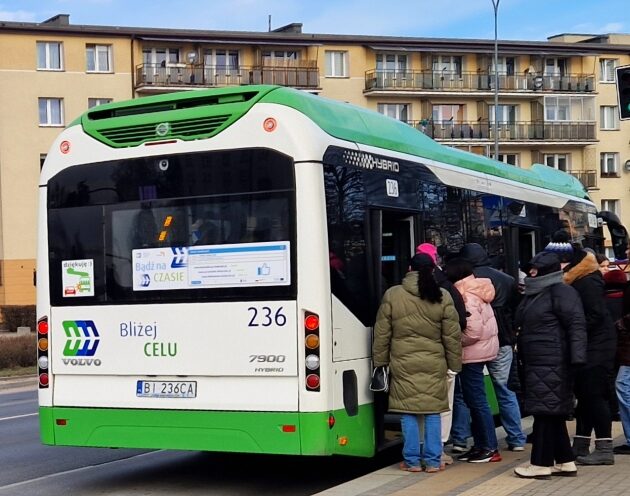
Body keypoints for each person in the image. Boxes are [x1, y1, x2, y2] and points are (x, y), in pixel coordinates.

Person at [372, 253, 462, 473]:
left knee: (408, 411)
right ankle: (432, 461)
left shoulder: (393, 295)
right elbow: (452, 336)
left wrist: (380, 362)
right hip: (434, 362)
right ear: (433, 270)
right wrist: (454, 364)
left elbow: (382, 334)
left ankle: (411, 461)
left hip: (403, 363)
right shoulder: (442, 295)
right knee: (433, 412)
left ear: (409, 269)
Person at [513, 252, 587, 479]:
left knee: (544, 413)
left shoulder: (561, 291)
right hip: (539, 360)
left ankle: (540, 464)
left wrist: (577, 360)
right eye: (530, 268)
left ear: (548, 270)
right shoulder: (537, 292)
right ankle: (565, 461)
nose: (530, 273)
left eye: (535, 269)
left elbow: (576, 325)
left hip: (552, 360)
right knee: (551, 412)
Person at [459, 243, 526, 451]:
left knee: (467, 394)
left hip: (473, 344)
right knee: (505, 390)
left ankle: (461, 439)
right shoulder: (507, 280)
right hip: (503, 340)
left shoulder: (463, 282)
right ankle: (516, 439)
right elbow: (518, 309)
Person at [561, 240, 617, 465]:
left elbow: (594, 315)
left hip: (597, 348)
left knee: (594, 396)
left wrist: (572, 326)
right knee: (584, 397)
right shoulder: (580, 280)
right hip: (590, 346)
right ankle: (581, 444)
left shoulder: (588, 282)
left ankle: (604, 448)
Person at [446, 257, 501, 463]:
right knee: (474, 401)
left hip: (471, 354)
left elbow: (473, 330)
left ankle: (489, 447)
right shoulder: (477, 289)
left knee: (477, 402)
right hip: (480, 352)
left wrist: (455, 342)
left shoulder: (465, 295)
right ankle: (481, 445)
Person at [417, 242, 467, 466]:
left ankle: (416, 452)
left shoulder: (396, 294)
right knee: (443, 405)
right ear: (435, 262)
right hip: (441, 360)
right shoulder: (447, 291)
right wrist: (454, 362)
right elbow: (457, 327)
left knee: (414, 407)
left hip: (410, 362)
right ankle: (437, 450)